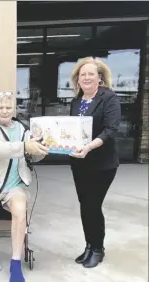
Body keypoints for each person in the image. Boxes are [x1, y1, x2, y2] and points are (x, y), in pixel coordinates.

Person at [0, 91, 49, 282]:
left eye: (8, 107)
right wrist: (25, 146)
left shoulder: (24, 129)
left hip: (15, 185)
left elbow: (32, 156)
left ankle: (15, 263)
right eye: (0, 107)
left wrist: (40, 149)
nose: (4, 111)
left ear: (14, 108)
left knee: (20, 212)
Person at [69, 57, 121, 268]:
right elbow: (71, 131)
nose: (87, 77)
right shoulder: (76, 101)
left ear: (100, 78)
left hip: (102, 163)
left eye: (91, 74)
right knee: (85, 205)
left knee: (93, 205)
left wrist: (89, 146)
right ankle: (89, 246)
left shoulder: (109, 99)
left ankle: (98, 249)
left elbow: (110, 130)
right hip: (79, 163)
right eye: (83, 75)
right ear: (78, 80)